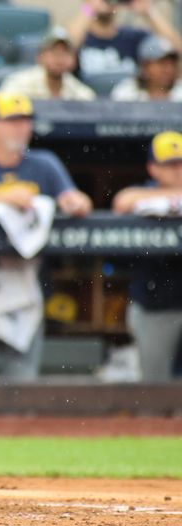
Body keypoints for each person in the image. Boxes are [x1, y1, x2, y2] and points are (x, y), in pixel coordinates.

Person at [0, 92, 92, 382]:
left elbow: (74, 198)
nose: (19, 128)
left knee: (22, 384)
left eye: (24, 121)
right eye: (11, 121)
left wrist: (76, 202)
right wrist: (1, 197)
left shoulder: (44, 163)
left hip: (26, 286)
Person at [111, 130, 182, 382]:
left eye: (181, 163)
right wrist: (172, 200)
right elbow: (122, 202)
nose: (177, 170)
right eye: (170, 164)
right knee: (155, 387)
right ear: (153, 168)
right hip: (156, 303)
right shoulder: (143, 193)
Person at [67, 0, 182, 78]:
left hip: (128, 108)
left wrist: (149, 12)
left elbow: (176, 49)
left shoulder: (133, 37)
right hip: (84, 108)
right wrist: (89, 9)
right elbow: (66, 47)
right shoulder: (81, 36)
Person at [0, 26, 96, 101]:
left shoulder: (80, 93)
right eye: (54, 51)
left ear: (74, 60)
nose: (59, 58)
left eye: (65, 52)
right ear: (39, 57)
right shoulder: (19, 84)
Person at [111, 34, 182, 102]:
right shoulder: (126, 93)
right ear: (145, 66)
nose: (169, 70)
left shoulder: (180, 92)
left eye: (173, 64)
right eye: (162, 63)